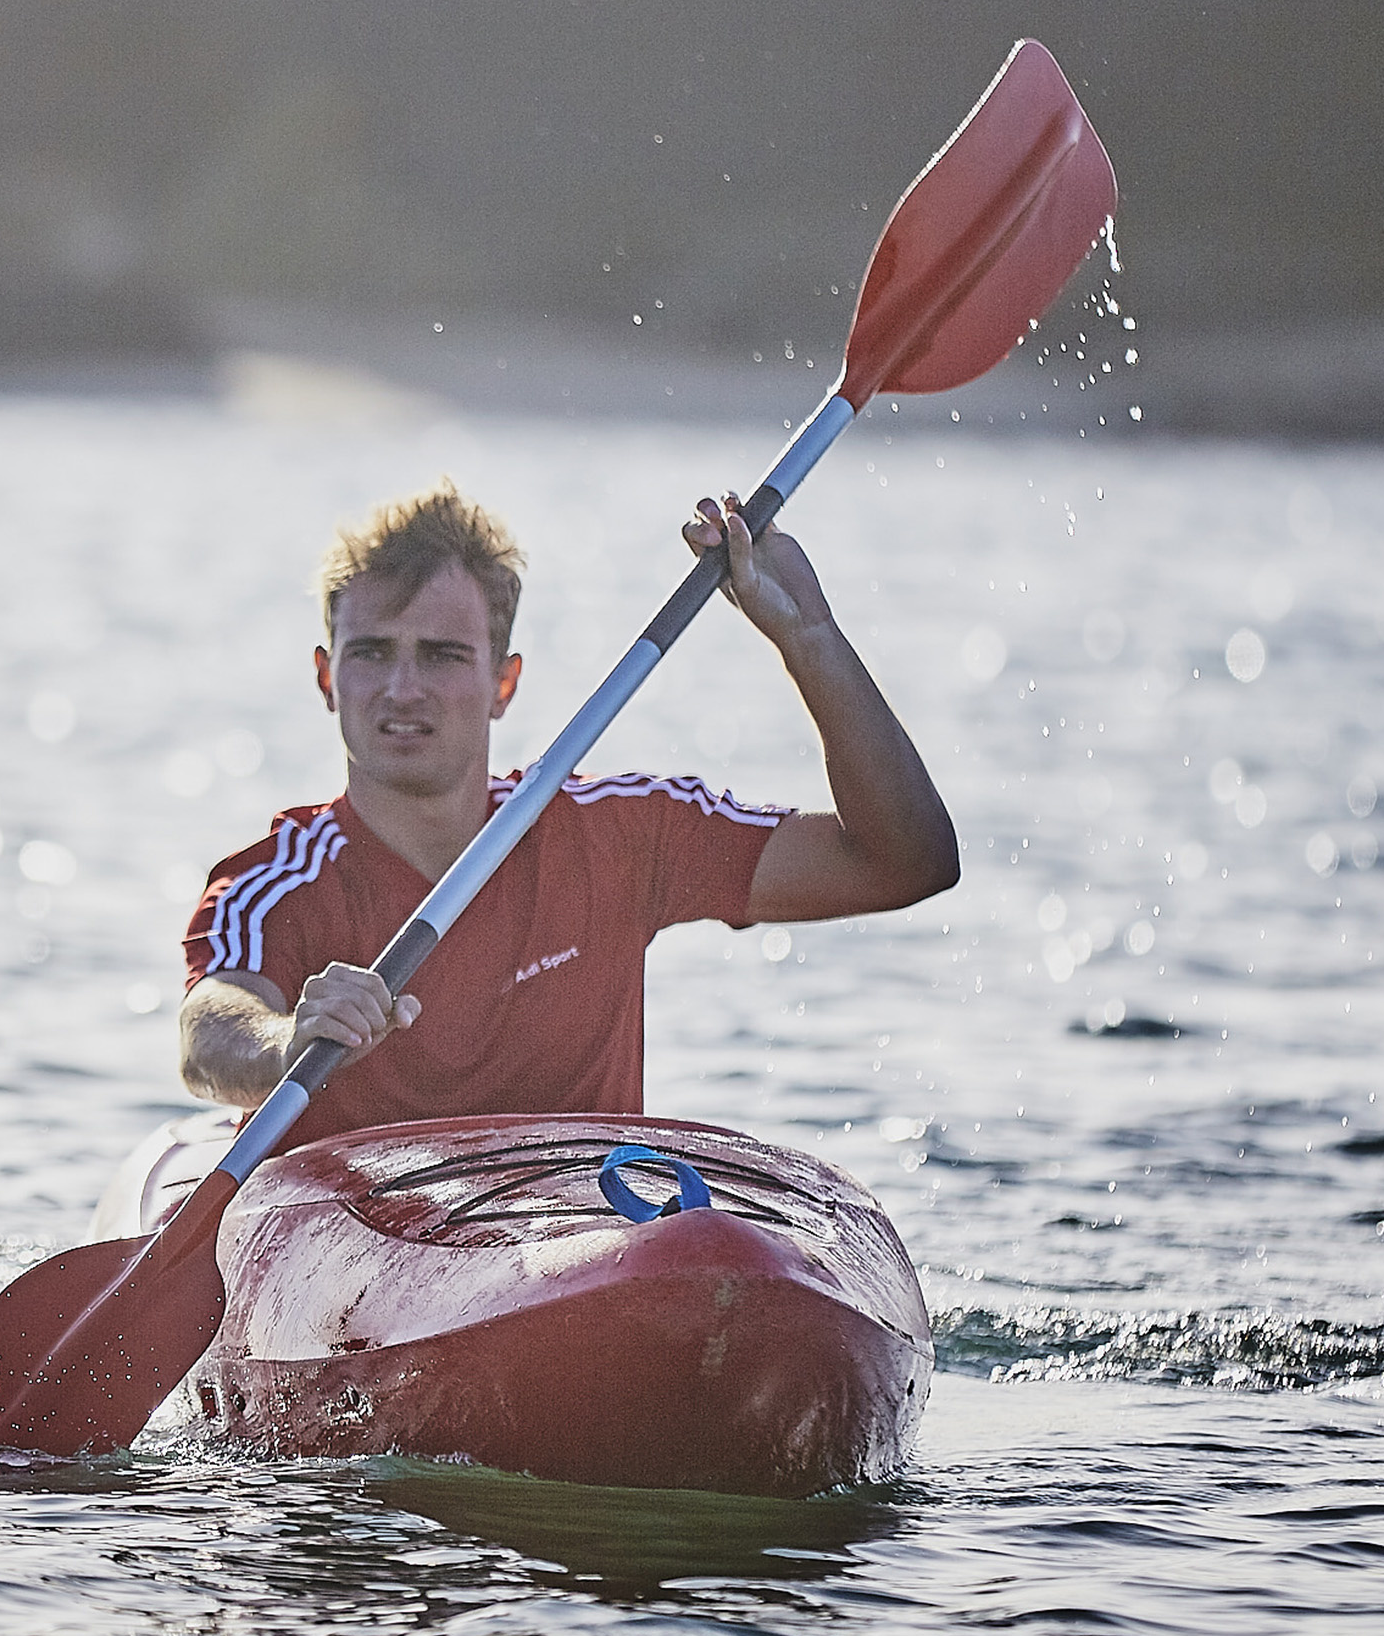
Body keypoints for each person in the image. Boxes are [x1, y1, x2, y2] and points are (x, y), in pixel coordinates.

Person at [177, 482, 957, 1145]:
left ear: (504, 683)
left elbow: (905, 862)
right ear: (325, 676)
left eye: (444, 655)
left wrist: (807, 634)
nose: (402, 689)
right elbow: (209, 1031)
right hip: (354, 1251)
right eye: (372, 652)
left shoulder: (622, 834)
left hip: (578, 1244)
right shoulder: (273, 880)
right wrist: (285, 1042)